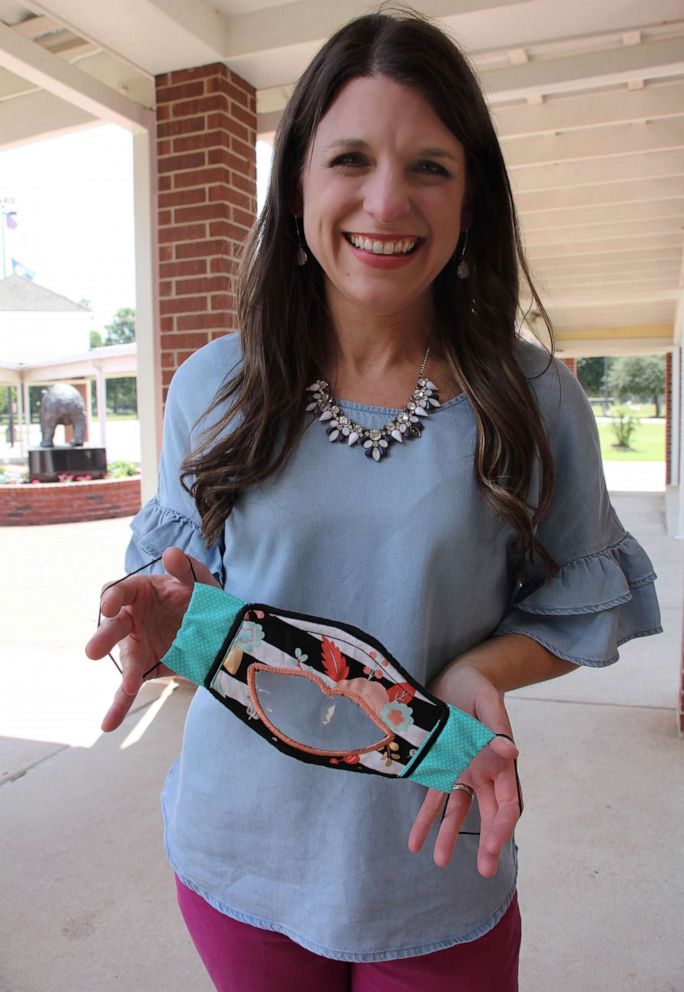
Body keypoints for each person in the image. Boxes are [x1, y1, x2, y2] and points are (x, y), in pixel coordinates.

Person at [87, 10, 661, 991]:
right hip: (238, 849)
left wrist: (486, 661)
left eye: (430, 165)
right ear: (300, 181)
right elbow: (214, 624)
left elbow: (584, 599)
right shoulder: (214, 386)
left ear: (472, 193)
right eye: (350, 157)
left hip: (433, 853)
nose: (387, 200)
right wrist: (167, 617)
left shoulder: (530, 398)